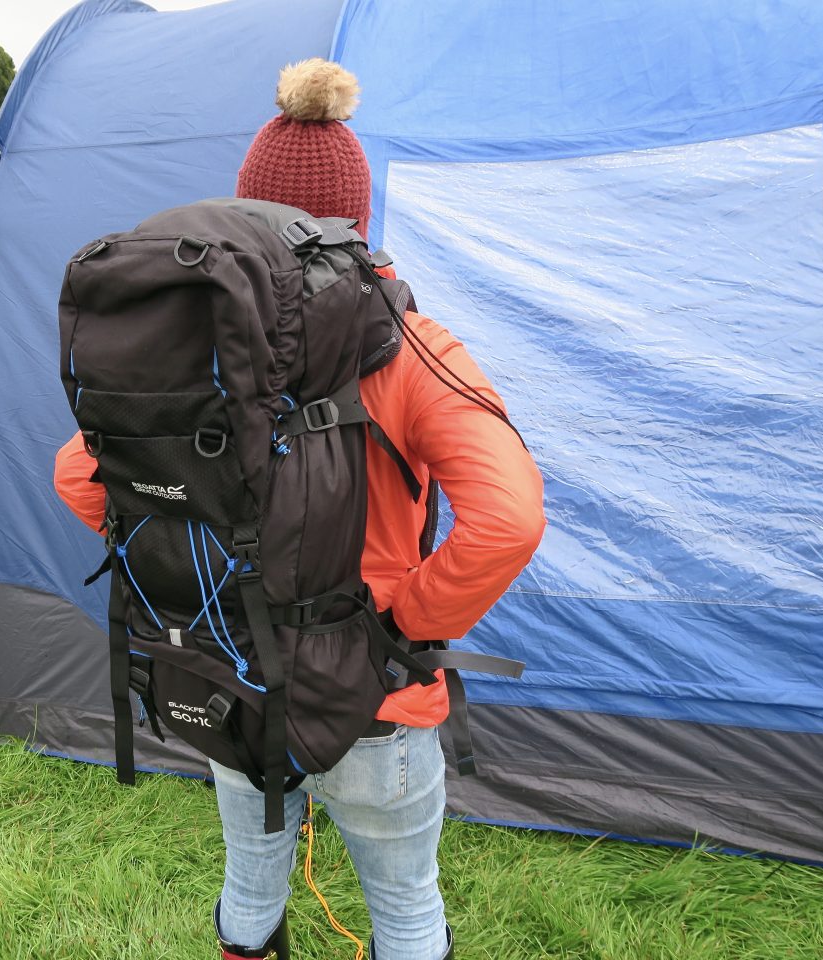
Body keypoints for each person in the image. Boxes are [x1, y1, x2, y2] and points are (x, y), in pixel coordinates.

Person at [52, 59, 545, 960]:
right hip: (379, 700)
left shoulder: (195, 357)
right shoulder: (410, 346)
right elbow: (508, 520)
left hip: (229, 669)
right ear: (357, 220)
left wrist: (186, 561)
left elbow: (81, 479)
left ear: (245, 213)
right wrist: (404, 620)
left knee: (250, 876)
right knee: (402, 906)